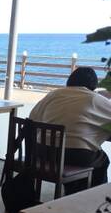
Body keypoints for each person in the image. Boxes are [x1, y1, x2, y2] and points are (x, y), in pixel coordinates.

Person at [29, 67, 111, 195]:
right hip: (75, 155)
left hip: (43, 151)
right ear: (94, 85)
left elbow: (32, 118)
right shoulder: (94, 99)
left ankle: (74, 191)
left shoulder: (54, 94)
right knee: (102, 160)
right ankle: (94, 198)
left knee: (83, 157)